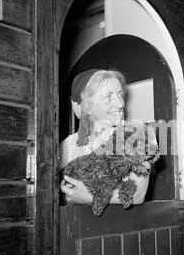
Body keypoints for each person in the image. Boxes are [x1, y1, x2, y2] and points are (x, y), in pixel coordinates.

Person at [59, 69, 154, 206]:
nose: (120, 104)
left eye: (120, 95)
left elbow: (138, 195)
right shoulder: (70, 144)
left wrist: (90, 196)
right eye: (108, 97)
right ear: (86, 106)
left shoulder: (138, 133)